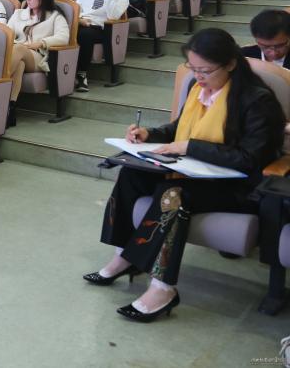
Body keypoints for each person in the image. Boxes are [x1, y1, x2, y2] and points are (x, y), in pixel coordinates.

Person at [85, 29, 284, 322]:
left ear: (230, 64)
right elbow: (178, 129)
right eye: (193, 69)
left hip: (237, 185)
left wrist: (190, 147)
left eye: (205, 71)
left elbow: (249, 159)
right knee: (130, 174)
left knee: (173, 195)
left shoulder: (256, 100)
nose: (198, 77)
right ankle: (125, 256)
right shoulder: (197, 88)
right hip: (192, 171)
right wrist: (149, 134)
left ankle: (162, 287)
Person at [5, 0, 71, 123]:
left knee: (19, 48)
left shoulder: (55, 16)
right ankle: (10, 108)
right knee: (19, 64)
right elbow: (7, 34)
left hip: (39, 56)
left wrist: (41, 43)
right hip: (19, 53)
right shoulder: (18, 13)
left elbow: (63, 37)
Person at [74, 0, 130, 92]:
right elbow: (77, 8)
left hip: (102, 28)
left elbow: (113, 15)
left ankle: (81, 74)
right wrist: (80, 19)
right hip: (82, 22)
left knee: (85, 34)